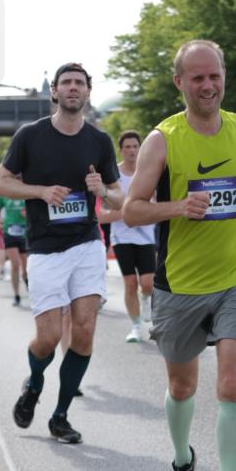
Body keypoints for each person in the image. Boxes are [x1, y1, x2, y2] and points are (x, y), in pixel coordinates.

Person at [124, 40, 236, 471]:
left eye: (215, 76)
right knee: (182, 386)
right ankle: (182, 459)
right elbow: (132, 209)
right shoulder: (162, 140)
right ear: (180, 83)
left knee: (232, 383)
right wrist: (176, 208)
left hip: (235, 277)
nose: (208, 86)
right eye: (197, 79)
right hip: (179, 285)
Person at [0, 61, 122, 444]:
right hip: (45, 249)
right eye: (65, 83)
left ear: (87, 92)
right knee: (48, 337)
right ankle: (34, 384)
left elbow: (120, 195)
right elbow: (0, 183)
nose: (72, 88)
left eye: (79, 83)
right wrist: (40, 191)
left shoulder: (99, 141)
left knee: (83, 332)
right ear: (55, 92)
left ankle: (61, 415)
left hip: (86, 244)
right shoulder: (30, 135)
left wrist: (103, 192)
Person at [98, 130, 156, 343]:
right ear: (121, 150)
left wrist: (140, 212)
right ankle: (136, 326)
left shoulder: (149, 172)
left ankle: (147, 299)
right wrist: (128, 213)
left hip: (146, 236)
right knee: (130, 282)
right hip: (121, 238)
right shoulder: (113, 177)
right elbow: (102, 215)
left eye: (135, 146)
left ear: (140, 149)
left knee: (148, 283)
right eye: (127, 147)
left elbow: (155, 206)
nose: (132, 151)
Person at [0, 194, 29, 306]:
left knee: (26, 268)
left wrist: (27, 214)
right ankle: (16, 295)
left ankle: (26, 279)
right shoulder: (4, 193)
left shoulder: (27, 189)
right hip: (9, 231)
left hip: (25, 232)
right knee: (15, 264)